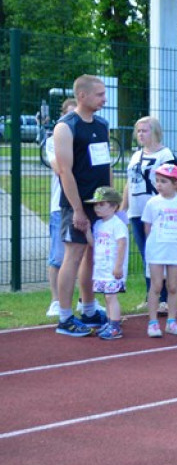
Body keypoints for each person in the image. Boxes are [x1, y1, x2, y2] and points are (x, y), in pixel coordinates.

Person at [53, 75, 113, 337]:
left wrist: (111, 200)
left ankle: (88, 310)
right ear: (82, 96)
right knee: (73, 255)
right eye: (99, 94)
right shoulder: (66, 127)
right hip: (76, 204)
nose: (104, 99)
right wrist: (77, 210)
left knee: (92, 256)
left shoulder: (102, 125)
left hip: (100, 204)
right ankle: (65, 318)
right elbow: (65, 171)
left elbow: (106, 164)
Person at [122, 116, 177, 314]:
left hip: (158, 213)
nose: (140, 134)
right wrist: (123, 208)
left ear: (154, 132)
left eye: (144, 130)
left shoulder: (165, 155)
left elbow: (173, 183)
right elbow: (130, 182)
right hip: (137, 212)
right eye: (138, 131)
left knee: (159, 254)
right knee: (147, 255)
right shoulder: (136, 155)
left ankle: (163, 299)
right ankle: (150, 297)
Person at [142, 163, 177, 338]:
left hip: (175, 251)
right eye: (157, 181)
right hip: (157, 250)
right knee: (156, 285)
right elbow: (147, 227)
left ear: (175, 184)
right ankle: (153, 322)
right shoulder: (152, 203)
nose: (159, 185)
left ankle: (172, 321)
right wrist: (156, 243)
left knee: (172, 286)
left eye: (163, 181)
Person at [45, 97, 77, 317]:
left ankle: (87, 300)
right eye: (70, 114)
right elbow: (61, 167)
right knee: (58, 255)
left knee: (85, 255)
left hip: (85, 204)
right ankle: (56, 301)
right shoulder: (52, 140)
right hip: (61, 205)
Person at [85, 187, 129, 341]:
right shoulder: (98, 224)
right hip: (101, 269)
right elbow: (94, 244)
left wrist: (118, 266)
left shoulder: (117, 224)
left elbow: (121, 245)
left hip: (112, 269)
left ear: (114, 207)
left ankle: (115, 326)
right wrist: (86, 232)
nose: (97, 208)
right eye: (96, 205)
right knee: (106, 297)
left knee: (111, 297)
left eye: (101, 204)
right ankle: (110, 323)